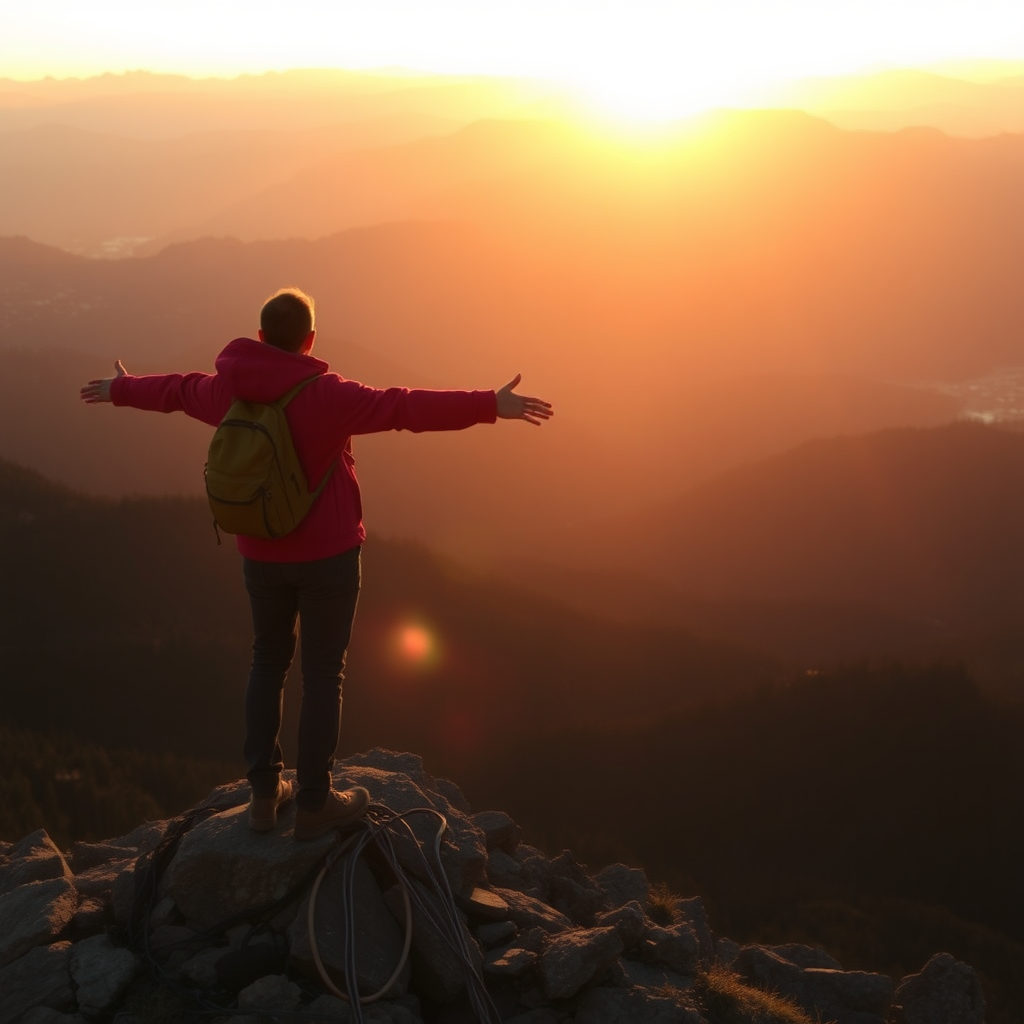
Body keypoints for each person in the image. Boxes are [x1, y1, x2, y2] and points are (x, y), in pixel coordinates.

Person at [80, 286, 553, 841]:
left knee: (267, 663)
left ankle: (262, 796)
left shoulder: (227, 388)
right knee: (324, 673)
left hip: (259, 552)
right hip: (328, 557)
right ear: (309, 341)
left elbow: (178, 390)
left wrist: (119, 388)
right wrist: (487, 404)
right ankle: (314, 802)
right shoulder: (327, 394)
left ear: (259, 338)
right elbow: (404, 406)